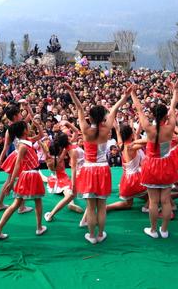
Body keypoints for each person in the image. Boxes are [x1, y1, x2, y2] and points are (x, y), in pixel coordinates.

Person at [64, 83, 132, 244]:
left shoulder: (85, 129)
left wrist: (72, 92)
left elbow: (79, 109)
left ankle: (92, 236)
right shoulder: (106, 128)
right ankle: (101, 234)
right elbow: (114, 109)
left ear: (91, 117)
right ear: (102, 117)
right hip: (102, 169)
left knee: (91, 205)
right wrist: (125, 95)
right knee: (102, 206)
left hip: (88, 168)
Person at [132, 79, 178, 238]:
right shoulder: (171, 126)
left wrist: (132, 92)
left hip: (151, 165)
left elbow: (138, 108)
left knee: (153, 201)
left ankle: (153, 230)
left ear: (153, 115)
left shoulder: (149, 128)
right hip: (166, 164)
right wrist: (174, 91)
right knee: (165, 201)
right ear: (165, 115)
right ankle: (164, 230)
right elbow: (173, 107)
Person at [0, 121, 47, 239]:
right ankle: (39, 227)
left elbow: (41, 136)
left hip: (28, 175)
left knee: (17, 203)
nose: (29, 126)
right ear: (24, 131)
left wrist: (37, 125)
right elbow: (17, 165)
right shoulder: (22, 145)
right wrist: (11, 183)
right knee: (36, 201)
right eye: (27, 126)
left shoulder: (27, 141)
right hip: (31, 174)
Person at [106, 122, 147, 212]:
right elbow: (149, 140)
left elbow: (119, 136)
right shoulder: (131, 147)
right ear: (131, 134)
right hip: (136, 179)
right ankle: (147, 207)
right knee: (154, 195)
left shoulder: (121, 145)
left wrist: (117, 129)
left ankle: (107, 207)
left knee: (128, 204)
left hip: (126, 179)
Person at [43, 132, 84, 221]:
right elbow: (73, 169)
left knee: (70, 195)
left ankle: (84, 220)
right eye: (68, 136)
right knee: (71, 195)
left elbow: (76, 132)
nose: (70, 137)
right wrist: (73, 184)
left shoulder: (68, 148)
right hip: (78, 175)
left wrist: (67, 123)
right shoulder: (69, 150)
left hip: (75, 175)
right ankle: (51, 215)